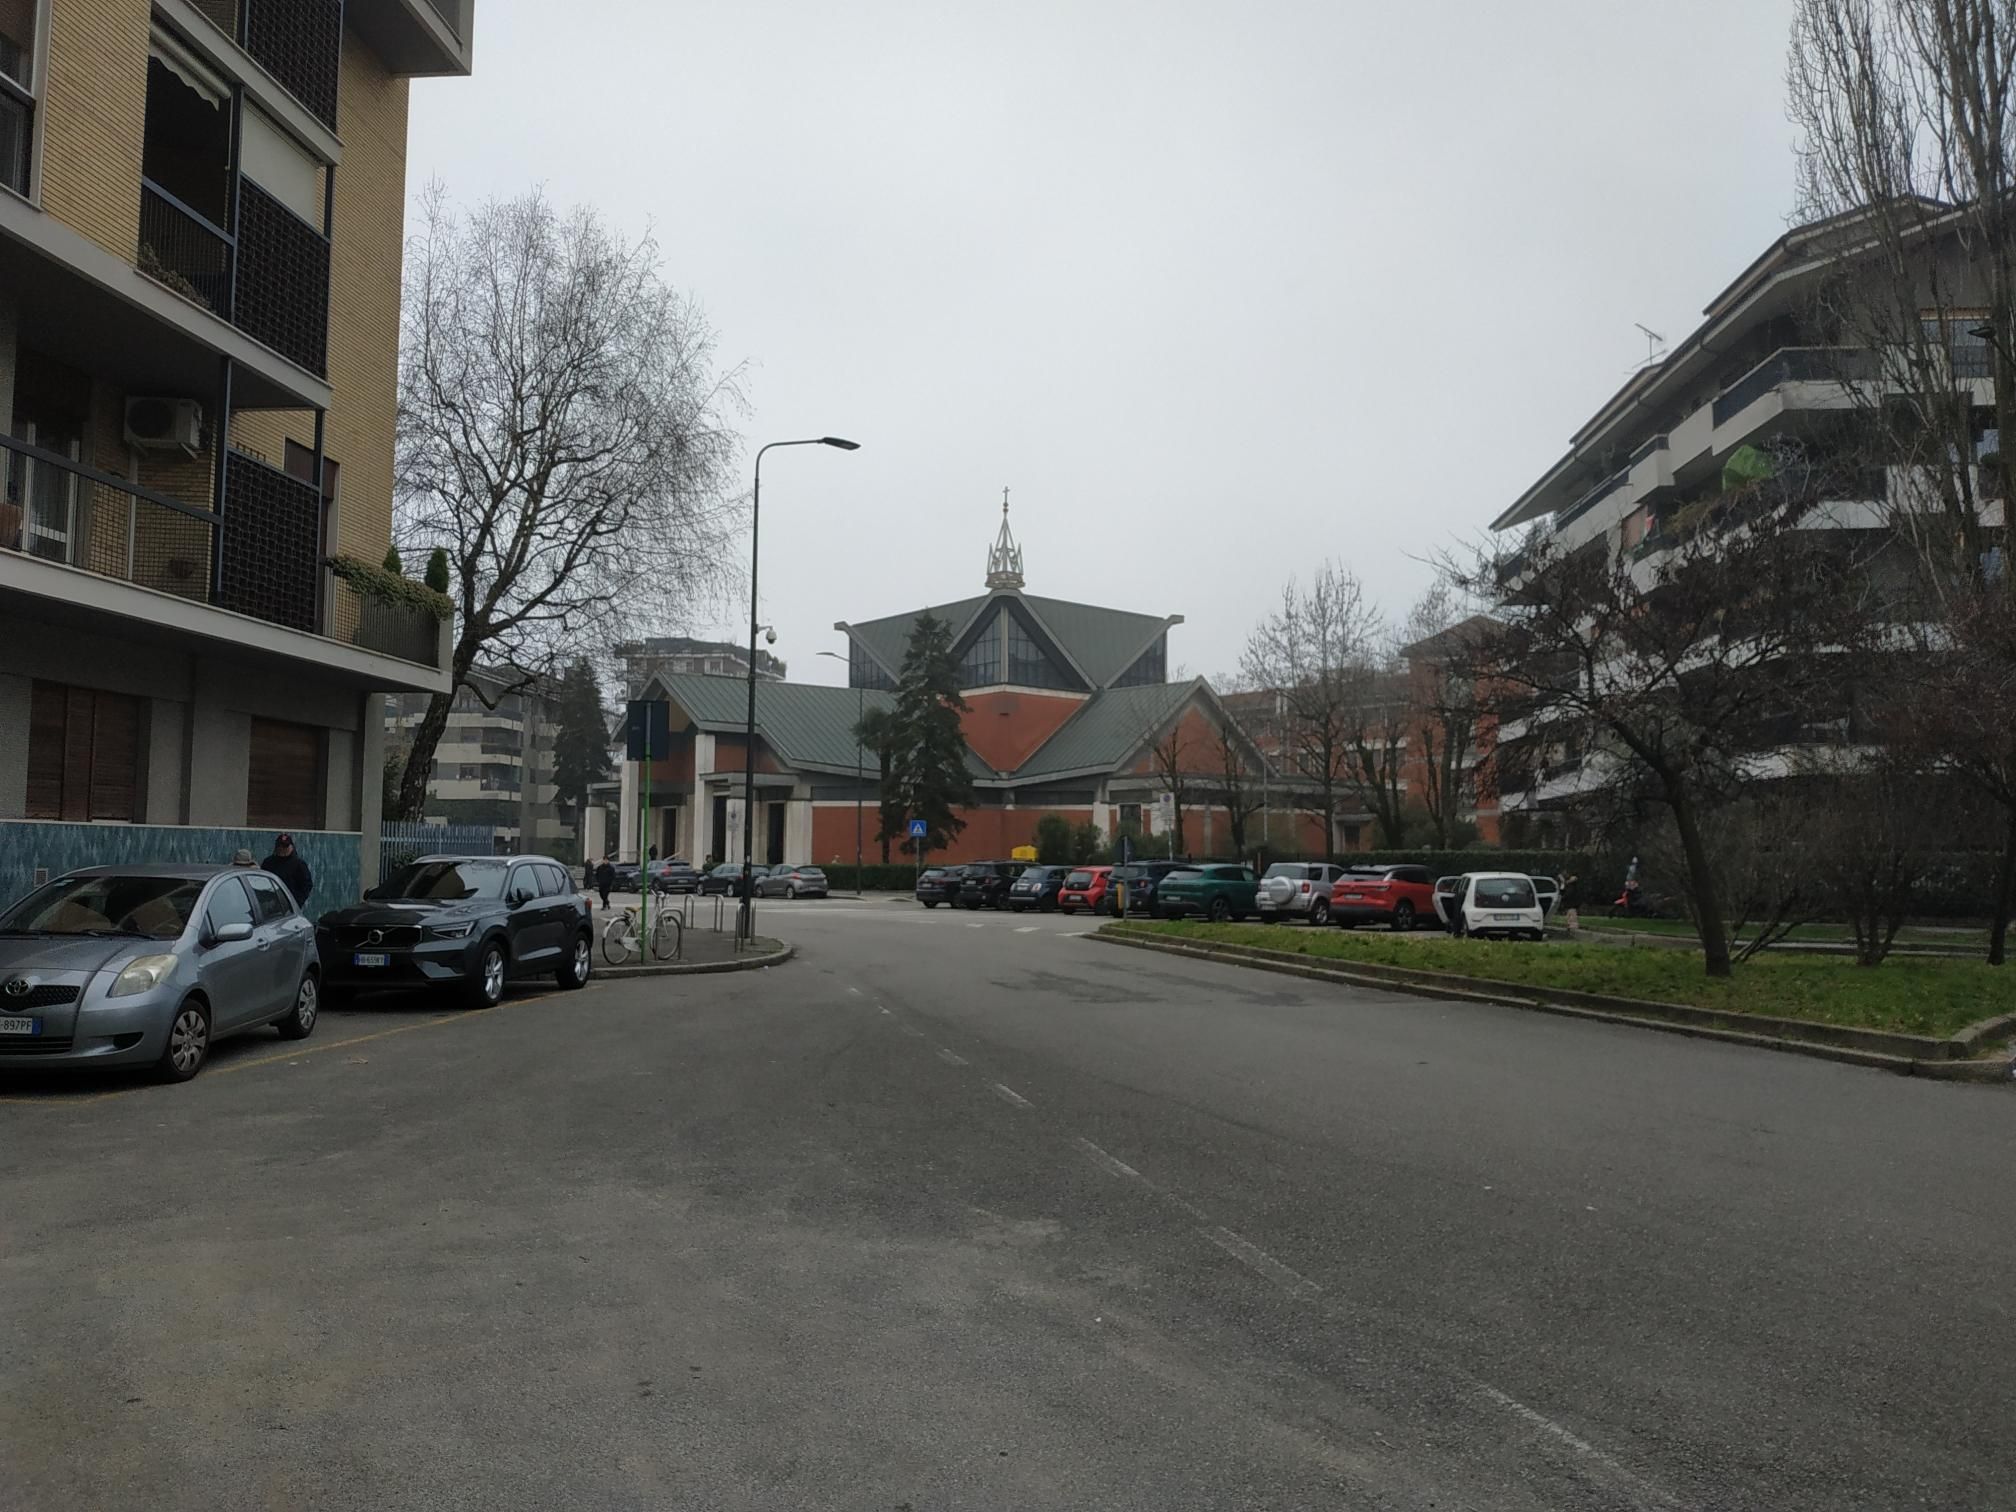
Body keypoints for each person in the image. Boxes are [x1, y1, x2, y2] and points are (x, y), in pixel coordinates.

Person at [261, 833, 313, 907]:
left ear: (291, 847)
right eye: (280, 846)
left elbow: (307, 885)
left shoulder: (299, 864)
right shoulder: (268, 862)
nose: (282, 849)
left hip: (290, 905)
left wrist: (297, 902)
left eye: (285, 846)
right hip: (270, 903)